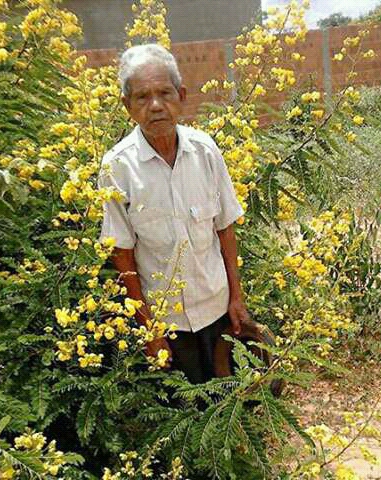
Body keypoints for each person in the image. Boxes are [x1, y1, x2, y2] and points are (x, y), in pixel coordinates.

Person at [98, 43, 249, 384]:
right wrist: (149, 330)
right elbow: (122, 255)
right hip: (168, 323)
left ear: (181, 95)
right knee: (184, 415)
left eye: (164, 93)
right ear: (128, 106)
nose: (155, 106)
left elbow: (225, 228)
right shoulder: (117, 168)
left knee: (229, 399)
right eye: (142, 97)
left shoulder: (206, 151)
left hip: (218, 309)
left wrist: (237, 299)